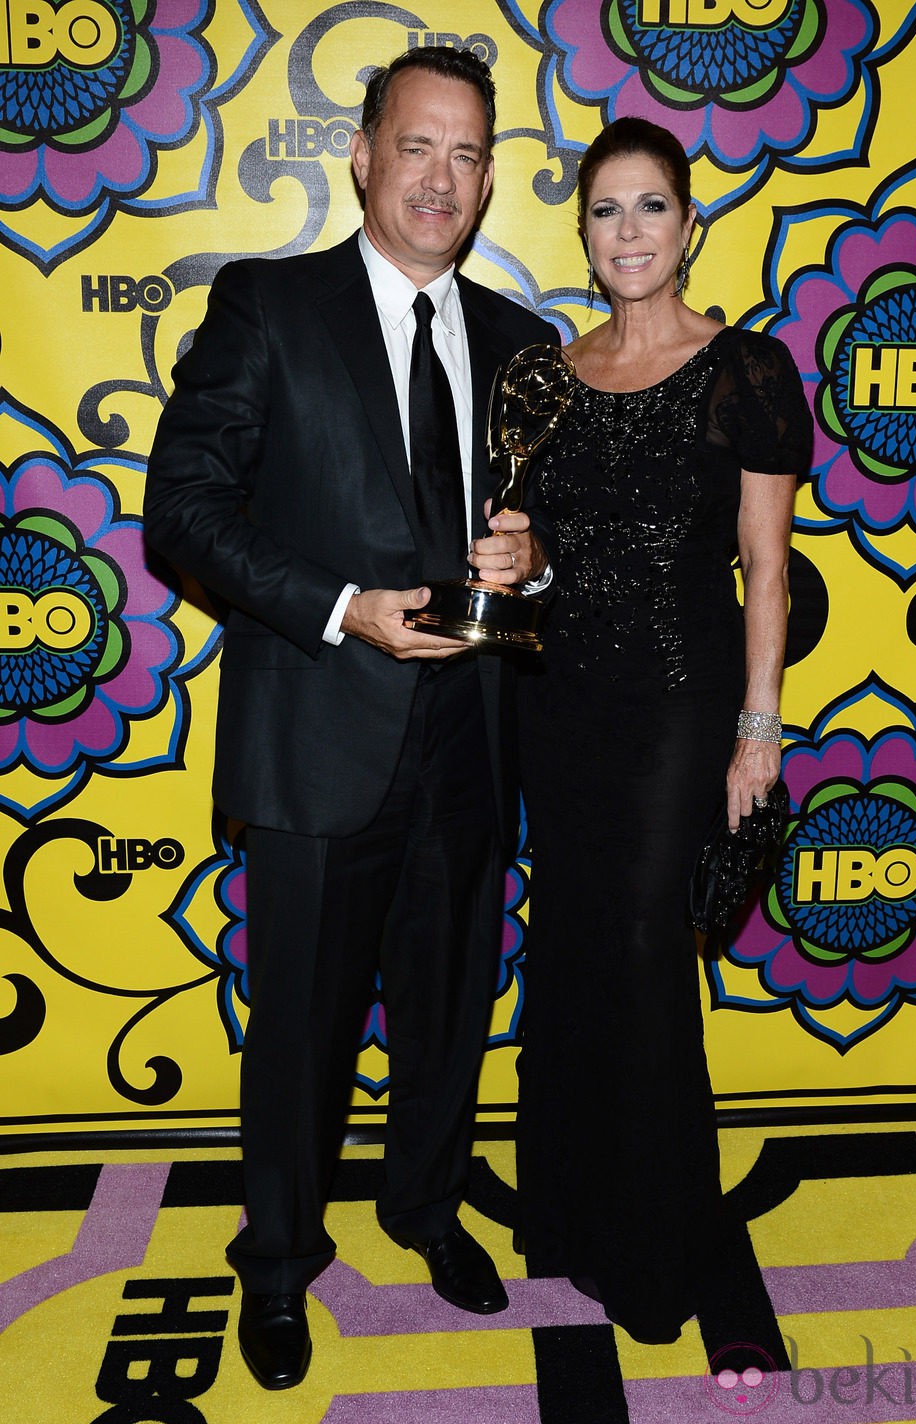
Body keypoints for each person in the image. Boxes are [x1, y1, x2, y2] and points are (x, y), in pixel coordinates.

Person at [144, 45, 557, 1391]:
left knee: (446, 1008)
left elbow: (549, 537)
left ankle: (425, 1208)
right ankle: (275, 1264)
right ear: (365, 155)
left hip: (472, 738)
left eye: (470, 154)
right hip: (321, 726)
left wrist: (533, 556)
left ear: (490, 177)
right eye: (419, 145)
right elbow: (185, 510)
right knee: (304, 1030)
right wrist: (340, 607)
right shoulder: (269, 307)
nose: (443, 177)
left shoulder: (520, 344)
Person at [515, 118, 813, 1360]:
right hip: (559, 702)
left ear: (687, 227)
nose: (626, 232)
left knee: (643, 948)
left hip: (684, 704)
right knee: (576, 946)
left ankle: (658, 1239)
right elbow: (529, 557)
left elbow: (764, 569)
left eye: (649, 208)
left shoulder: (742, 368)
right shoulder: (546, 374)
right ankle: (579, 1217)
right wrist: (518, 562)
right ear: (581, 236)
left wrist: (758, 731)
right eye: (604, 212)